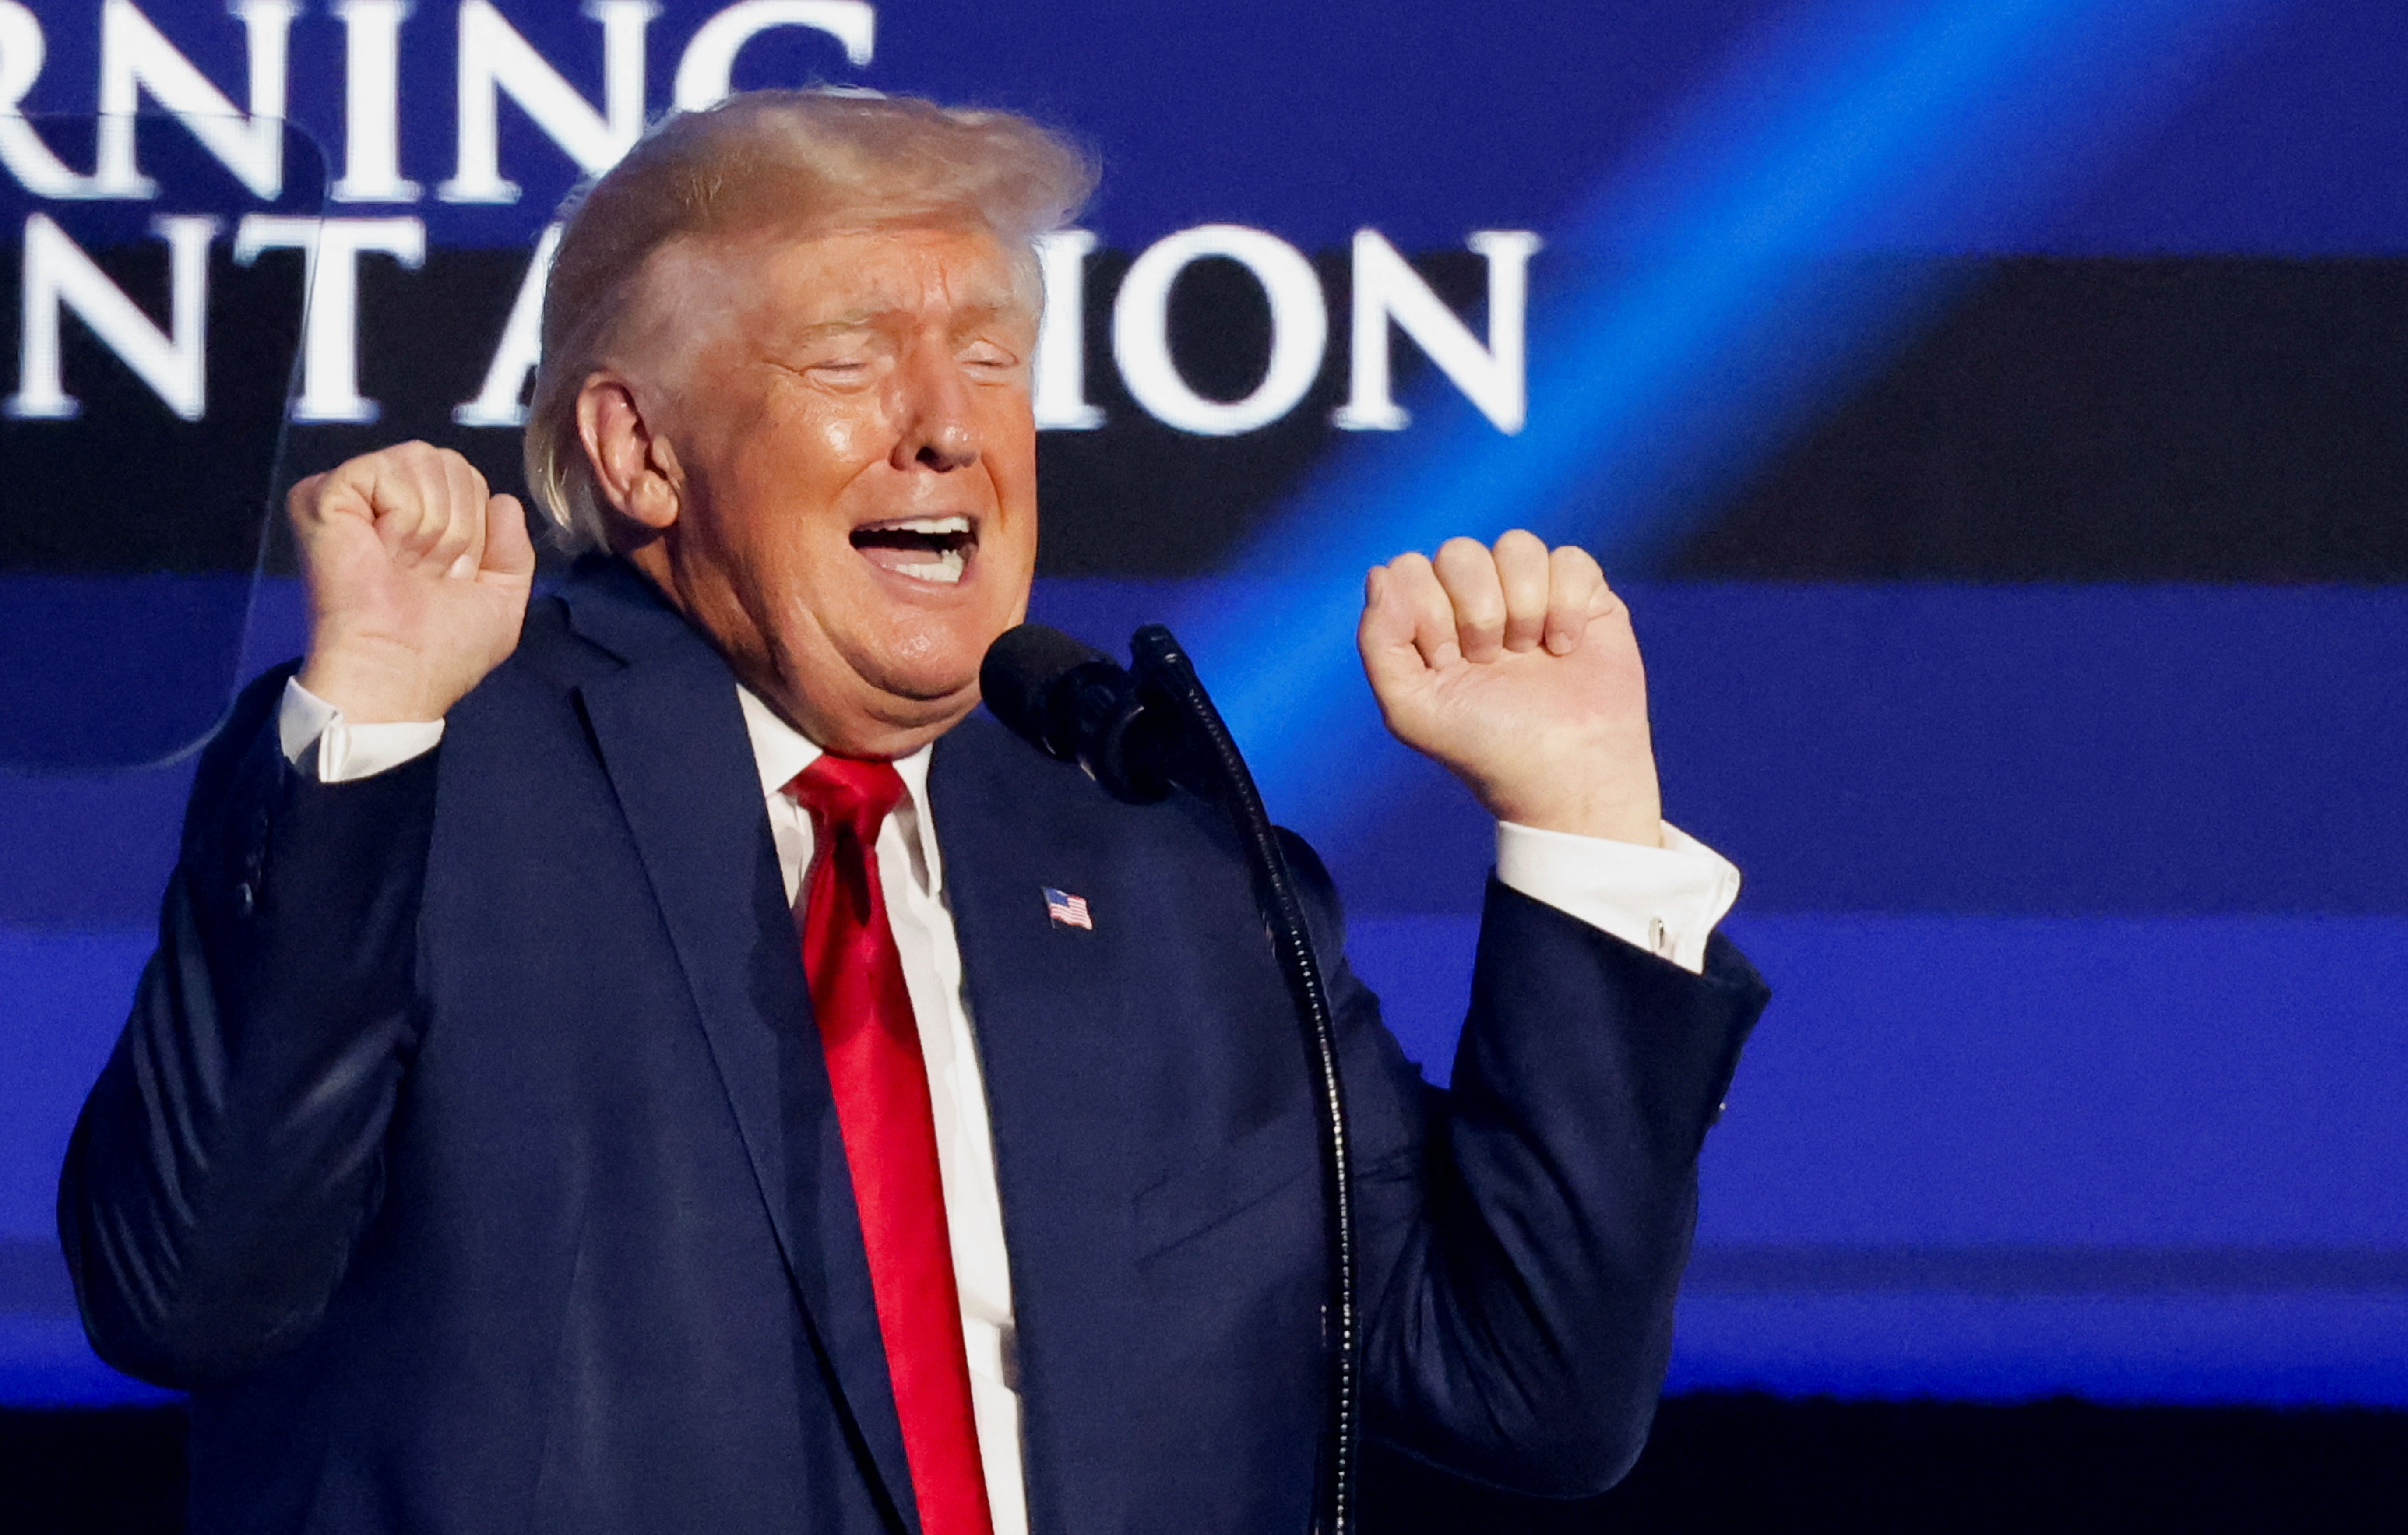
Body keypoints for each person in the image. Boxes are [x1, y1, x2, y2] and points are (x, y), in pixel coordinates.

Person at [58, 91, 1767, 1535]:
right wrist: (366, 717)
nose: (948, 428)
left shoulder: (1169, 857)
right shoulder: (435, 781)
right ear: (639, 451)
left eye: (991, 360)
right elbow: (184, 1290)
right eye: (850, 358)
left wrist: (1580, 818)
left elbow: (1526, 1391)